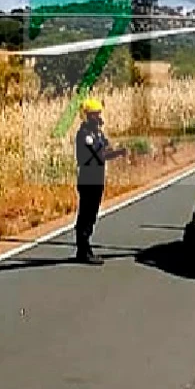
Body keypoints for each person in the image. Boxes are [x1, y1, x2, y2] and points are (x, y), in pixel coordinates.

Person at [74, 97, 127, 264]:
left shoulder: (97, 132)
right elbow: (99, 155)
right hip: (88, 179)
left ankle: (85, 245)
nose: (98, 117)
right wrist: (116, 153)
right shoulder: (84, 135)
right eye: (95, 114)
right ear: (88, 116)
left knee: (93, 213)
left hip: (97, 179)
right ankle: (83, 249)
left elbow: (106, 147)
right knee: (86, 214)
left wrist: (116, 150)